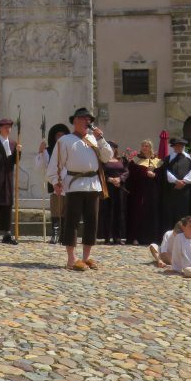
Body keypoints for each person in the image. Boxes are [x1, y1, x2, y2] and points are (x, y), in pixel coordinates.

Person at [47, 107, 113, 270]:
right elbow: (56, 163)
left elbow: (107, 157)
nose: (87, 121)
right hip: (74, 184)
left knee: (92, 221)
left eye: (89, 119)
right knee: (72, 221)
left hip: (93, 185)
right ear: (75, 121)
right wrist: (55, 181)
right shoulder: (65, 140)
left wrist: (101, 139)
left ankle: (86, 257)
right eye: (83, 118)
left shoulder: (94, 139)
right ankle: (71, 259)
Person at [35, 124, 70, 244]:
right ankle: (55, 233)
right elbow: (40, 166)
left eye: (63, 135)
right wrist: (41, 151)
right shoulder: (49, 150)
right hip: (55, 183)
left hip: (69, 183)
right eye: (58, 135)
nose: (60, 137)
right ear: (54, 137)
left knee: (67, 210)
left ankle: (64, 233)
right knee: (56, 209)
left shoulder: (70, 150)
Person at [126, 139, 163, 245]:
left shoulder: (158, 161)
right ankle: (135, 237)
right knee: (138, 213)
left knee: (151, 213)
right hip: (139, 191)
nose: (145, 148)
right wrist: (143, 174)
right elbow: (131, 176)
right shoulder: (135, 160)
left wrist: (155, 175)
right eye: (143, 146)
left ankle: (150, 237)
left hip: (153, 192)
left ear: (151, 148)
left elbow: (162, 176)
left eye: (147, 146)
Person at [161, 137, 191, 232]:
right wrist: (176, 181)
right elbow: (165, 171)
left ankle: (184, 232)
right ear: (173, 147)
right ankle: (171, 234)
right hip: (171, 190)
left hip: (185, 191)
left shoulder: (189, 158)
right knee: (170, 211)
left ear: (183, 147)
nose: (179, 147)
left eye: (181, 146)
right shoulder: (168, 158)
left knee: (184, 212)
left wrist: (184, 181)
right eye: (177, 146)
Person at [99, 142, 129, 245]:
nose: (110, 149)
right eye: (108, 147)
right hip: (108, 188)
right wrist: (110, 179)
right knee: (107, 212)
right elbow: (101, 173)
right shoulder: (103, 161)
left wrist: (120, 179)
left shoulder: (122, 160)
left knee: (119, 212)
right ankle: (107, 237)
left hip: (119, 188)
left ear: (115, 149)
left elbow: (126, 171)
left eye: (112, 148)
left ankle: (118, 237)